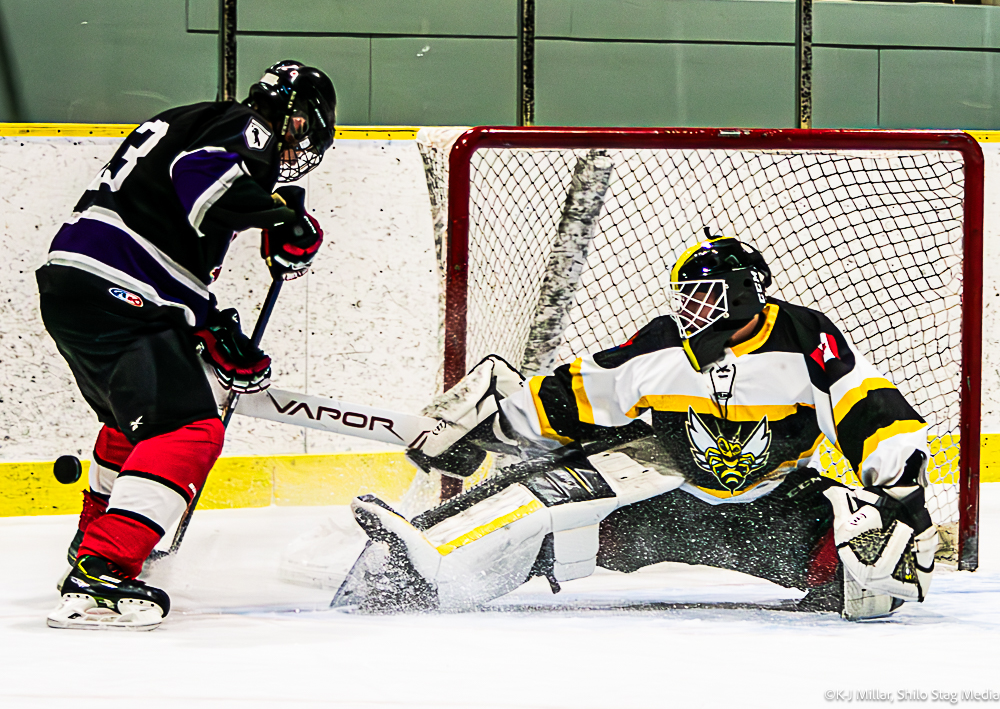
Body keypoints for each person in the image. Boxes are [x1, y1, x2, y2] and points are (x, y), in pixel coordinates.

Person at [332, 234, 939, 620]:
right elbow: (579, 391)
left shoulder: (806, 340)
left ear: (742, 297)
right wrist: (493, 428)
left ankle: (837, 576)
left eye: (702, 296)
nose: (687, 308)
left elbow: (869, 406)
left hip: (771, 509)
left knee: (873, 582)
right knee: (547, 498)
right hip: (667, 502)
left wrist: (903, 490)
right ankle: (425, 565)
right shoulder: (663, 343)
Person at [40, 60, 336, 630]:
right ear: (295, 120)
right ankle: (102, 572)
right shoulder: (245, 126)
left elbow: (166, 249)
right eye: (303, 134)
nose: (296, 151)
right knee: (189, 430)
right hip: (115, 284)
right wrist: (281, 216)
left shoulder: (196, 119)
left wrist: (209, 327)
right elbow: (202, 181)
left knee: (136, 428)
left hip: (82, 284)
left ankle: (93, 546)